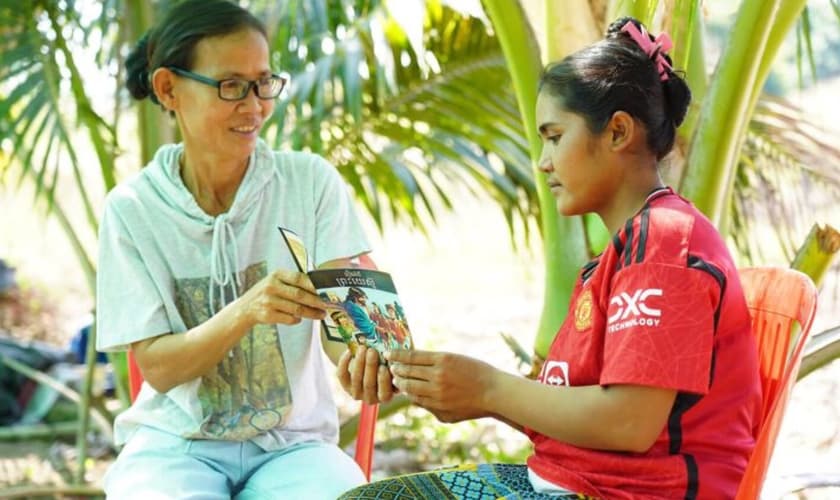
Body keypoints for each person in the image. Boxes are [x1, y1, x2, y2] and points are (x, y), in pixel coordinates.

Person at [339, 17, 761, 500]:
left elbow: (628, 422)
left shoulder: (664, 244)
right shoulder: (626, 253)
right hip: (566, 482)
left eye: (555, 136)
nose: (543, 161)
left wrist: (490, 390)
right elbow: (585, 413)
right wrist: (461, 393)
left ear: (618, 131)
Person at [96, 1, 391, 498]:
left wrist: (365, 355)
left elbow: (349, 322)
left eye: (263, 83)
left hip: (295, 448)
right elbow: (160, 368)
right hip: (174, 447)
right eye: (230, 86)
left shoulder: (310, 183)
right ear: (169, 89)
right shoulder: (132, 210)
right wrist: (247, 310)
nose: (254, 106)